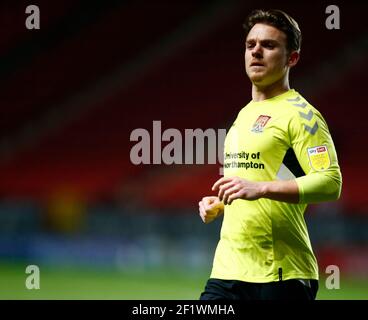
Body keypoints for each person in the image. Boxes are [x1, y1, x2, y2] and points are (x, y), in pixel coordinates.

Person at [198, 9, 342, 300]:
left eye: (269, 45)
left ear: (292, 58)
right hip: (228, 271)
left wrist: (261, 188)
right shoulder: (242, 116)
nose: (257, 52)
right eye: (251, 45)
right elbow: (253, 182)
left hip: (280, 275)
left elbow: (330, 182)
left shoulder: (302, 115)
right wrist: (222, 204)